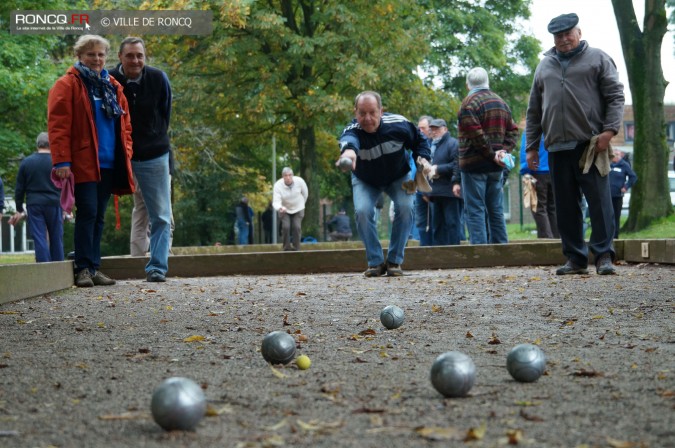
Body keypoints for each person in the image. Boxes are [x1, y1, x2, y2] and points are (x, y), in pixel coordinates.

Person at [525, 13, 624, 275]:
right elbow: (534, 109)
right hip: (556, 145)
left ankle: (603, 256)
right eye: (559, 36)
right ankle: (576, 259)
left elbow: (615, 96)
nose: (564, 39)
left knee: (599, 202)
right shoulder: (544, 66)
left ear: (578, 32)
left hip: (590, 144)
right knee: (566, 206)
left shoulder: (599, 58)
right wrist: (532, 146)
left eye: (568, 33)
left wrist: (609, 131)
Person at [49, 34, 134, 288]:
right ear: (80, 56)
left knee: (99, 217)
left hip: (109, 163)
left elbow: (126, 126)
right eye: (90, 54)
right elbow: (58, 126)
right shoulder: (67, 85)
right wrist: (61, 161)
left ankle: (93, 267)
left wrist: (126, 153)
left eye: (100, 54)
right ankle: (83, 268)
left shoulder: (112, 85)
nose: (96, 59)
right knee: (87, 212)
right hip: (83, 162)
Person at [338, 91, 432, 277]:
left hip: (398, 175)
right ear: (355, 112)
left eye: (372, 112)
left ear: (381, 111)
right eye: (362, 113)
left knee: (406, 207)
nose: (367, 118)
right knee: (363, 211)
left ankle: (394, 261)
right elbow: (349, 144)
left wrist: (423, 159)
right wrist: (348, 155)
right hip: (365, 179)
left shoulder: (399, 124)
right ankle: (375, 262)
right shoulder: (351, 131)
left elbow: (419, 141)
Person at [110, 37, 172, 282]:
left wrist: (153, 136)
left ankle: (157, 266)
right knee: (97, 209)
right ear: (120, 57)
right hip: (116, 154)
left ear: (145, 57)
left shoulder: (158, 78)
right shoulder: (109, 80)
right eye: (130, 56)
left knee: (161, 215)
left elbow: (165, 112)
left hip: (153, 154)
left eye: (139, 55)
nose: (135, 60)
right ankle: (89, 264)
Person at [458, 67, 518, 245]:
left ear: (468, 84)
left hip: (474, 165)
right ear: (487, 82)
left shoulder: (468, 103)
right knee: (496, 210)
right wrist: (503, 153)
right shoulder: (501, 102)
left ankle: (480, 254)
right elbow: (513, 131)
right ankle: (502, 250)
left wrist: (492, 155)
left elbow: (476, 135)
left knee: (475, 210)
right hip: (496, 167)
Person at [9, 132, 64, 262]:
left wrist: (19, 209)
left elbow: (19, 189)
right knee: (56, 238)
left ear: (37, 145)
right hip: (54, 203)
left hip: (34, 204)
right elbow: (66, 185)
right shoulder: (58, 163)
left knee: (40, 238)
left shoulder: (26, 163)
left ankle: (43, 269)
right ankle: (58, 270)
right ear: (51, 144)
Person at [427, 119, 463, 245]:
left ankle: (454, 253)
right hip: (435, 192)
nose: (434, 131)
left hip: (449, 191)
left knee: (452, 223)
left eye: (437, 128)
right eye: (432, 129)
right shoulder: (430, 145)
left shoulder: (453, 144)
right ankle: (439, 254)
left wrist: (437, 168)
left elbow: (456, 165)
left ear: (445, 129)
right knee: (437, 226)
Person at [519, 133, 559, 239]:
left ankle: (546, 241)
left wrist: (525, 171)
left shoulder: (531, 128)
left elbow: (525, 150)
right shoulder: (551, 124)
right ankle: (557, 240)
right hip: (553, 171)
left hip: (536, 172)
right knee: (553, 208)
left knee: (539, 208)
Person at [272, 167, 308, 251]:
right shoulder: (278, 185)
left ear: (293, 175)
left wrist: (302, 204)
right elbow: (276, 201)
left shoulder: (300, 181)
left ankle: (296, 247)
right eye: (285, 175)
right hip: (284, 209)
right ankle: (286, 247)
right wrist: (280, 207)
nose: (288, 177)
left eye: (290, 175)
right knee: (286, 227)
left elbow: (305, 194)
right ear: (282, 177)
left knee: (296, 226)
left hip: (298, 207)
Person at [414, 115, 434, 245]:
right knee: (421, 222)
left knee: (434, 222)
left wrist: (428, 193)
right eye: (418, 128)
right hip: (417, 189)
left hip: (433, 191)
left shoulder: (434, 145)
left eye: (423, 128)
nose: (420, 131)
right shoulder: (415, 145)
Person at [609, 151, 637, 239]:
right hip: (607, 195)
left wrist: (626, 187)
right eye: (612, 155)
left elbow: (633, 177)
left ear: (619, 156)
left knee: (616, 215)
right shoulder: (608, 165)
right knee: (607, 215)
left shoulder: (624, 165)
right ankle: (607, 235)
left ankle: (615, 235)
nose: (614, 157)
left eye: (616, 155)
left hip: (617, 195)